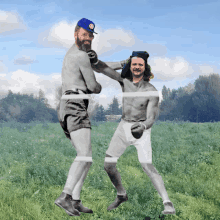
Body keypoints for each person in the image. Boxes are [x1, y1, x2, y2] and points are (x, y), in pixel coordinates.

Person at [55, 18, 128, 216]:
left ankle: (76, 201)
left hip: (68, 107)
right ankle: (65, 197)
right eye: (84, 34)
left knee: (85, 158)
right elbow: (93, 85)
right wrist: (104, 86)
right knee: (85, 156)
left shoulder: (82, 54)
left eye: (90, 36)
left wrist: (122, 64)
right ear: (76, 34)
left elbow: (99, 65)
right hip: (76, 106)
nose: (88, 38)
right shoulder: (79, 55)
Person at [88, 50, 176, 215]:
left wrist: (142, 127)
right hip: (123, 127)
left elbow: (151, 118)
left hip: (141, 129)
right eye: (134, 64)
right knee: (108, 165)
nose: (136, 67)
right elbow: (100, 68)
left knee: (147, 166)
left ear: (145, 68)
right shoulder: (124, 81)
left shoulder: (151, 91)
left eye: (140, 65)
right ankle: (121, 194)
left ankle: (167, 202)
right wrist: (96, 59)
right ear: (130, 66)